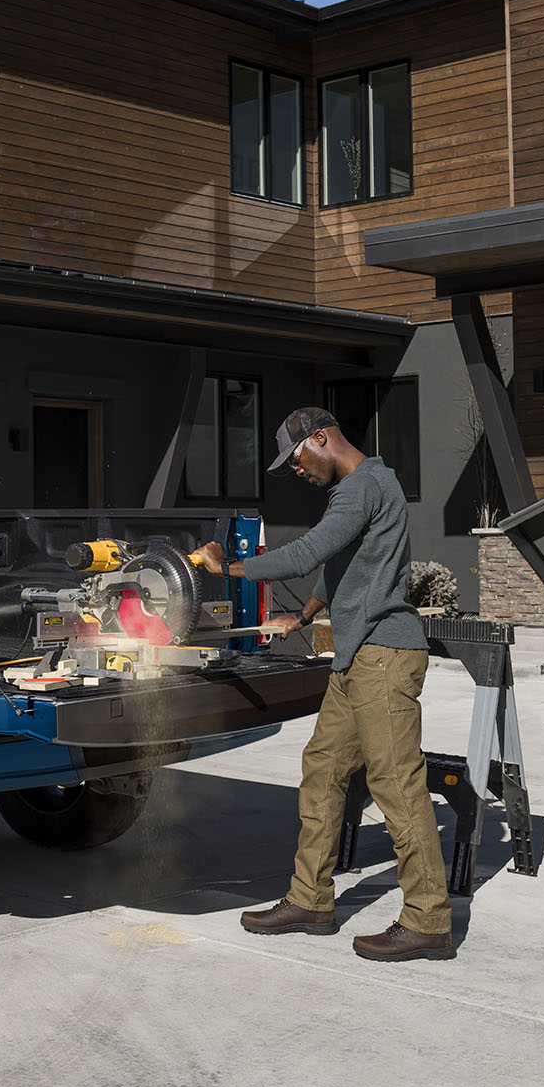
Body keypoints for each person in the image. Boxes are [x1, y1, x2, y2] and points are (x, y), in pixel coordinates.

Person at [195, 407, 454, 961]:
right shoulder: (366, 487)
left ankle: (428, 919)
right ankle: (310, 899)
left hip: (384, 656)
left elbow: (306, 552)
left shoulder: (361, 486)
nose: (295, 471)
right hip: (356, 656)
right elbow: (336, 566)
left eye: (295, 459)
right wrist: (307, 614)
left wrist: (228, 570)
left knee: (396, 784)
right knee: (323, 769)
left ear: (320, 438)